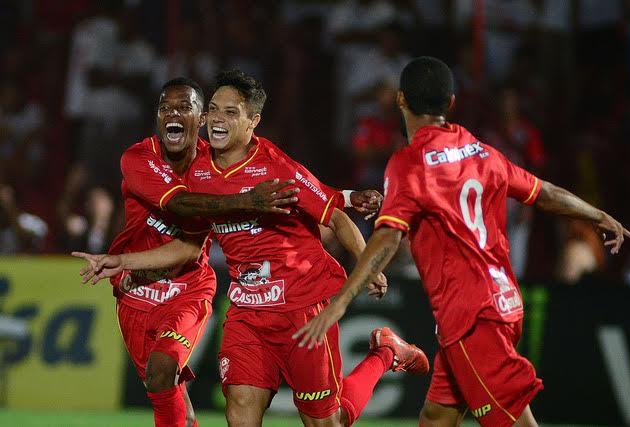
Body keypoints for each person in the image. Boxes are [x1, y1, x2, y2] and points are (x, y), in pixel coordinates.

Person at [293, 57, 630, 427]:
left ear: (401, 99)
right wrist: (597, 214)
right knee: (436, 418)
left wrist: (341, 302)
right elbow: (544, 192)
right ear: (451, 102)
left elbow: (389, 237)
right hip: (498, 301)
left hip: (472, 317)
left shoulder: (410, 163)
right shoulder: (482, 152)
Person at [77, 69, 428, 427]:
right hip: (247, 312)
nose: (218, 118)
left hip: (301, 307)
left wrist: (368, 264)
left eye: (231, 112)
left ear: (252, 122)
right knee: (240, 416)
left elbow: (334, 216)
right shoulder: (198, 172)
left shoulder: (274, 165)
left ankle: (384, 353)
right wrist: (123, 260)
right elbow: (188, 243)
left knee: (330, 422)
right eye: (215, 109)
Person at [73, 77, 300, 427]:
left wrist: (341, 200)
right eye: (165, 108)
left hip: (187, 289)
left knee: (162, 368)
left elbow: (190, 249)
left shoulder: (214, 166)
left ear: (201, 119)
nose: (173, 114)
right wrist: (246, 201)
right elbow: (179, 204)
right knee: (168, 392)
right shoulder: (138, 158)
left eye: (184, 107)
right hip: (136, 292)